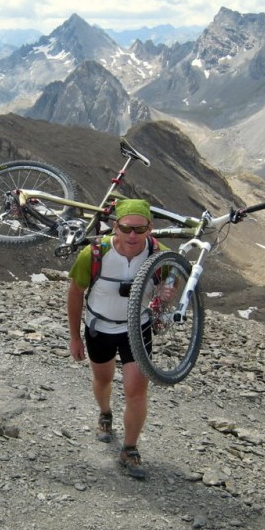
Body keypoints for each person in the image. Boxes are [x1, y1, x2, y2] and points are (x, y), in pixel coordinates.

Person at [67, 199, 168, 479]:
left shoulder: (160, 254)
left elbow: (172, 283)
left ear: (151, 228)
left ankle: (130, 448)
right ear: (116, 227)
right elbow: (75, 293)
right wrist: (75, 337)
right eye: (126, 228)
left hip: (137, 329)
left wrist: (164, 296)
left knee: (137, 392)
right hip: (99, 327)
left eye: (140, 228)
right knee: (104, 378)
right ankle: (105, 414)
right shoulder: (95, 254)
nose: (133, 235)